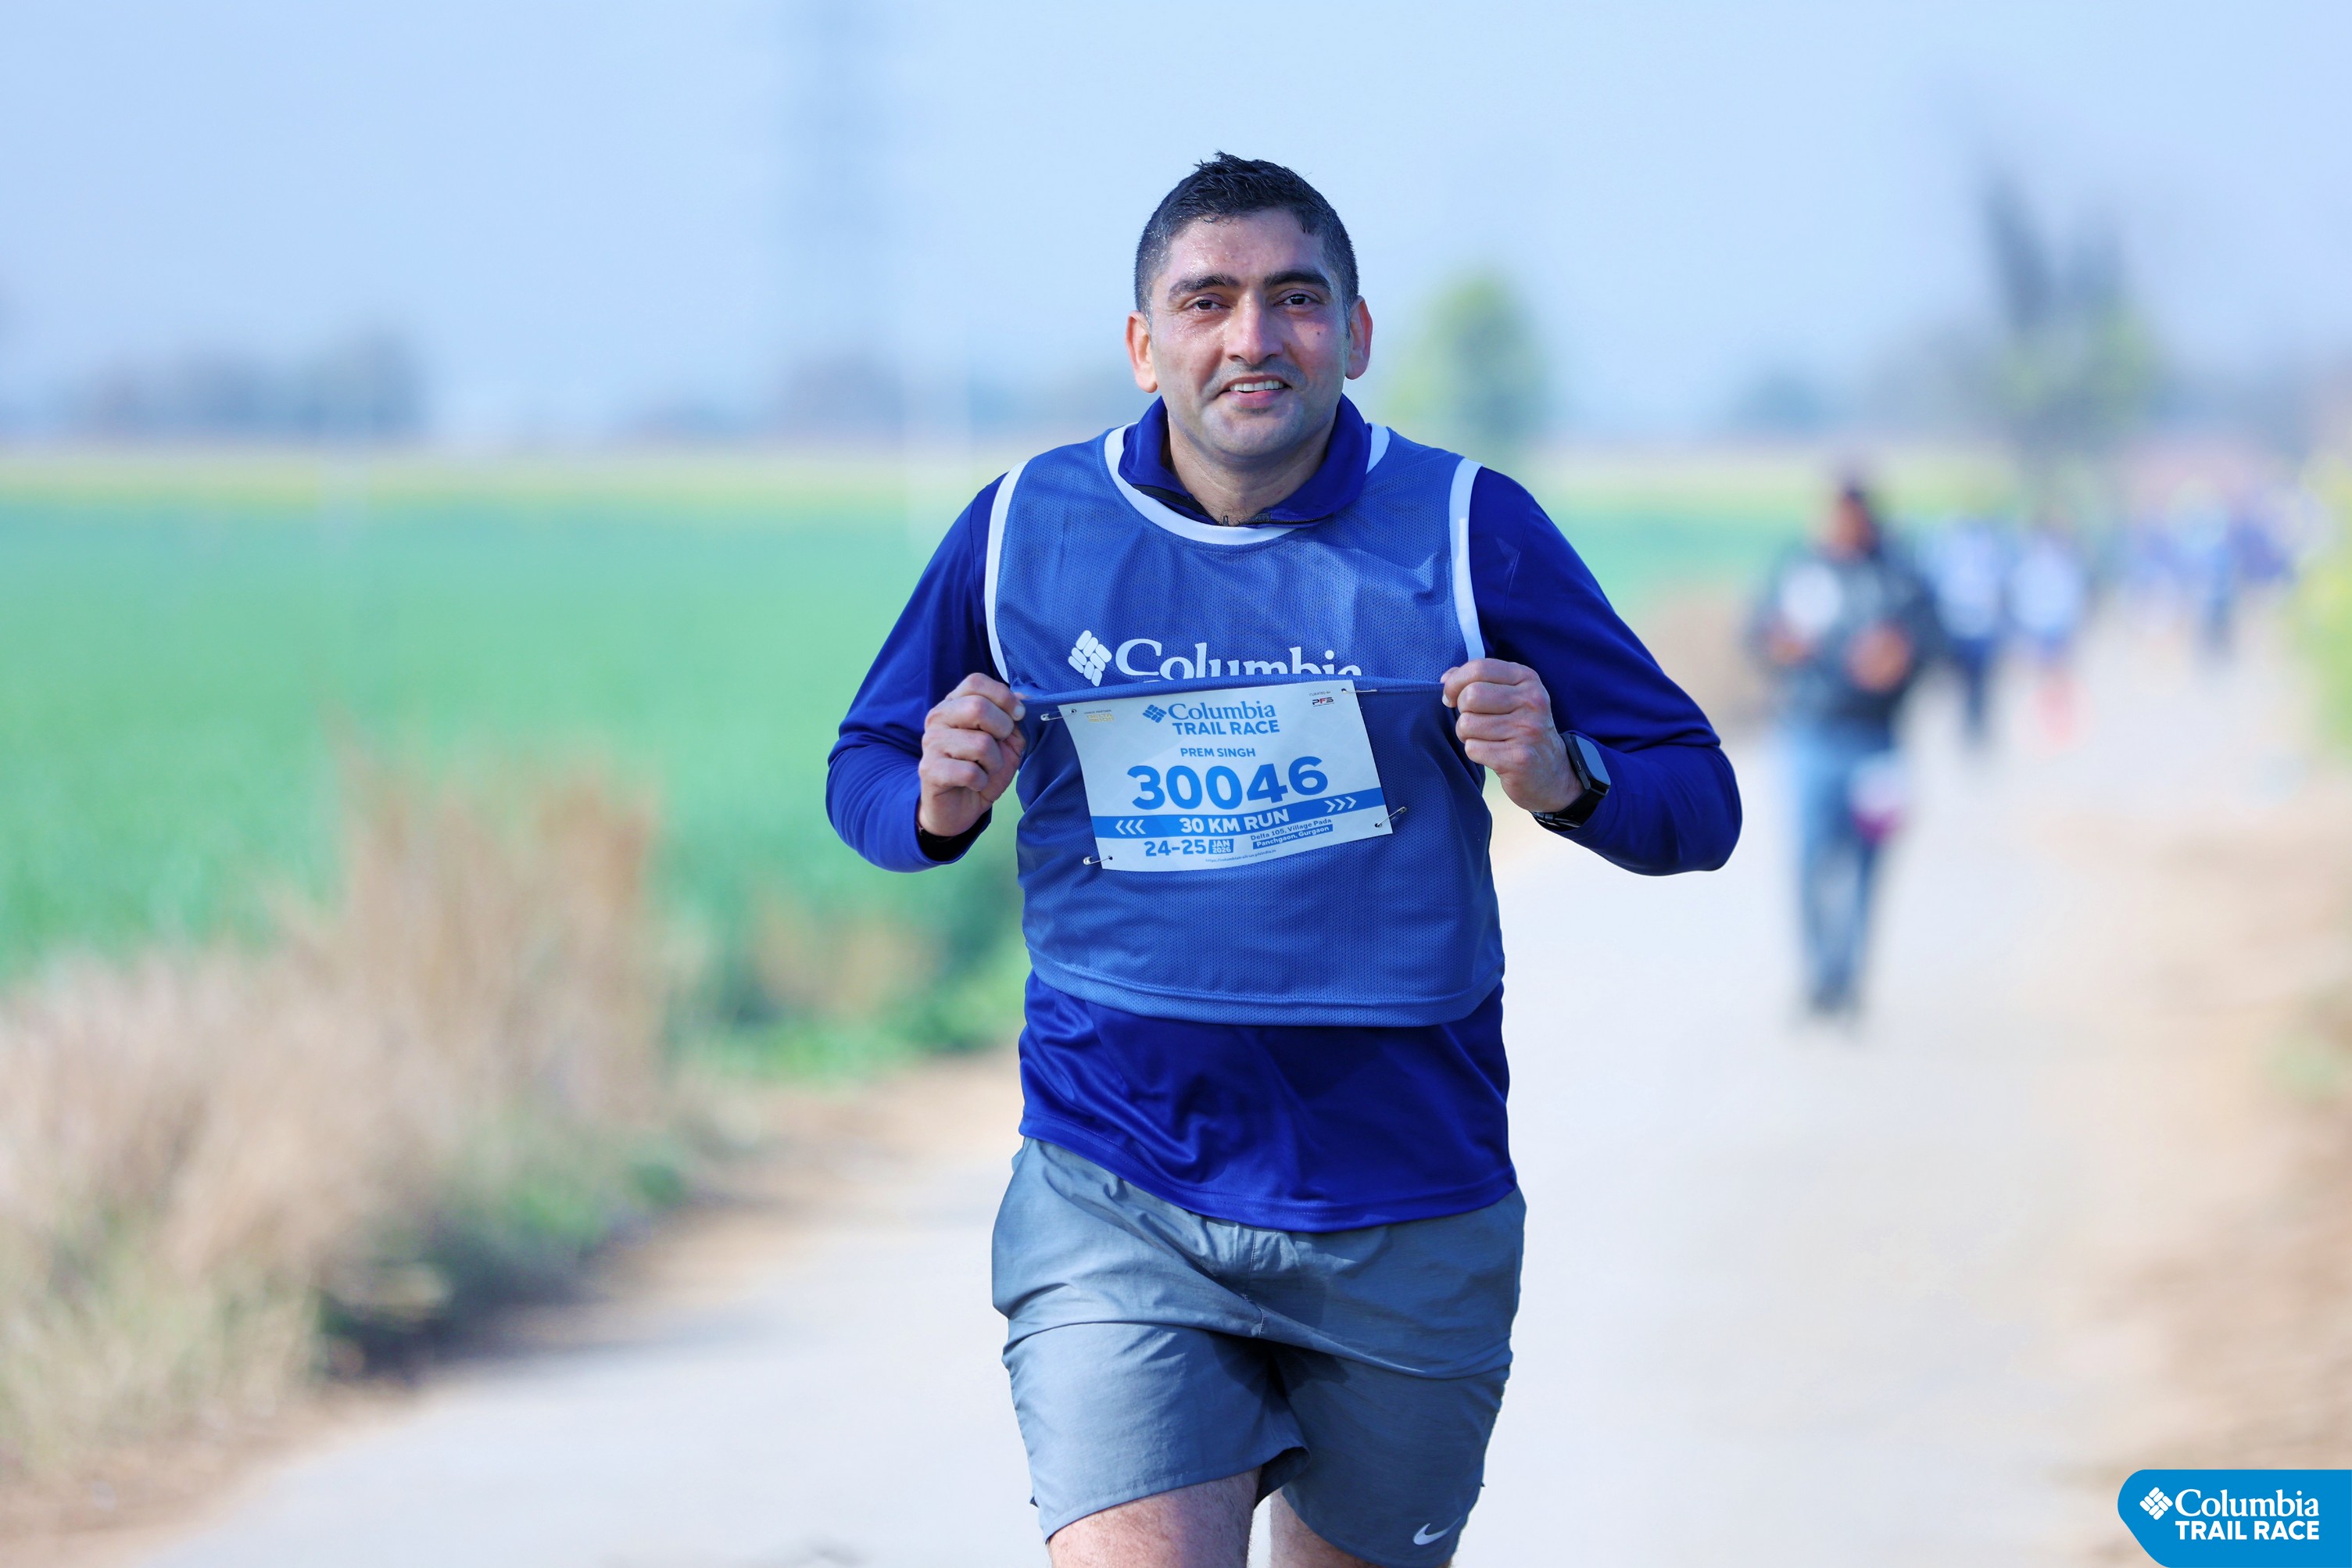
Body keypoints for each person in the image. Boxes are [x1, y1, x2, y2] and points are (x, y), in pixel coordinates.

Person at [828, 154, 1739, 1568]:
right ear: (1144, 345)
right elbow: (868, 770)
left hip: (1405, 1202)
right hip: (1116, 1183)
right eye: (1206, 301)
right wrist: (936, 800)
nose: (1251, 337)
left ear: (1355, 334)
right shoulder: (1021, 529)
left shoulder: (1467, 527)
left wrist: (1562, 775)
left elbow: (1697, 797)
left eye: (1294, 299)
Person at [1749, 481, 1938, 1019]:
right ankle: (1818, 975)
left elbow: (1933, 639)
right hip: (1810, 734)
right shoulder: (1799, 570)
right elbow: (1758, 634)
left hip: (1877, 741)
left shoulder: (1897, 577)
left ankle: (1849, 977)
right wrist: (1778, 645)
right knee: (1809, 860)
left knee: (1868, 864)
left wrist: (1901, 656)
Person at [1925, 515, 2008, 749]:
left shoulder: (1973, 553)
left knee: (1977, 685)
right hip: (1964, 630)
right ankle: (1970, 728)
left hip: (1977, 630)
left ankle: (1976, 728)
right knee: (1967, 685)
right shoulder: (1970, 553)